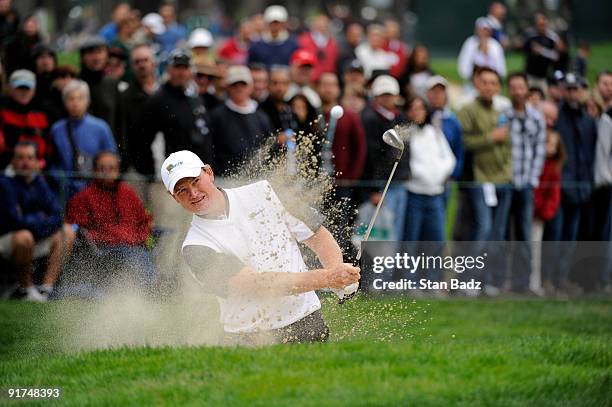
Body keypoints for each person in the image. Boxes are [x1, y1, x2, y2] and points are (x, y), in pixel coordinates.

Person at [160, 150, 360, 344]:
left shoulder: (264, 191)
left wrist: (338, 271)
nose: (193, 193)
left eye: (195, 181)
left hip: (307, 322)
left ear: (209, 173)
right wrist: (328, 278)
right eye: (182, 190)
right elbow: (259, 284)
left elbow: (317, 235)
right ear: (173, 197)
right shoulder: (195, 247)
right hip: (249, 338)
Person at [65, 151, 155, 292]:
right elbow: (78, 228)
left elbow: (144, 220)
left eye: (111, 168)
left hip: (134, 246)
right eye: (102, 168)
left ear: (118, 170)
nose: (107, 172)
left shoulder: (128, 193)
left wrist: (138, 239)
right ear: (95, 171)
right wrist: (112, 238)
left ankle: (147, 292)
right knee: (133, 256)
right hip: (105, 249)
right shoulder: (84, 197)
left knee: (139, 254)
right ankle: (149, 292)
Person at [457, 67, 512, 294]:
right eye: (485, 82)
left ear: (498, 87)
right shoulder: (467, 110)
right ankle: (467, 280)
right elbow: (465, 142)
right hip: (480, 180)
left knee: (496, 234)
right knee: (482, 229)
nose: (489, 86)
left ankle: (486, 280)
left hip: (504, 179)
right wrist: (492, 137)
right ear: (477, 85)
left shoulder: (502, 110)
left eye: (493, 83)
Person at [0, 141, 76, 301]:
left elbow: (57, 215)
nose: (25, 162)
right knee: (24, 236)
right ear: (12, 161)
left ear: (36, 162)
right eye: (20, 158)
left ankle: (45, 290)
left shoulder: (39, 182)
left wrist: (36, 221)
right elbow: (14, 221)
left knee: (67, 232)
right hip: (7, 240)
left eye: (29, 157)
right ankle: (26, 290)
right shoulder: (5, 183)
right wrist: (40, 217)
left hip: (33, 236)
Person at [139, 49, 212, 174]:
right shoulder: (157, 100)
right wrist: (152, 172)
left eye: (185, 68)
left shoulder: (194, 98)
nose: (181, 72)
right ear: (169, 69)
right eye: (178, 67)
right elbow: (144, 140)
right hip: (170, 174)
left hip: (196, 172)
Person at [506, 72, 546, 293]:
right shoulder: (504, 115)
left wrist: (532, 179)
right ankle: (499, 280)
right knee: (502, 233)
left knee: (524, 234)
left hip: (526, 183)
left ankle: (524, 282)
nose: (518, 92)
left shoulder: (537, 117)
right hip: (505, 182)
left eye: (521, 87)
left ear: (527, 90)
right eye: (513, 87)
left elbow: (539, 151)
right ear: (509, 90)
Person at [49, 79, 117, 199]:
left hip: (97, 191)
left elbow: (111, 159)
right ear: (64, 102)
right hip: (65, 192)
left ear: (88, 101)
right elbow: (53, 162)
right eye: (71, 99)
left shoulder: (101, 128)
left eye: (80, 98)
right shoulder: (57, 130)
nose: (75, 103)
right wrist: (61, 182)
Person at [360, 75, 408, 241]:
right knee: (380, 237)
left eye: (390, 94)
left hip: (399, 182)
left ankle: (389, 268)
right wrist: (374, 189)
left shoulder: (400, 117)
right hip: (381, 186)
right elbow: (370, 156)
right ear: (376, 96)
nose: (387, 98)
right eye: (384, 95)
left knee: (395, 234)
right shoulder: (369, 118)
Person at [208, 65, 272, 176]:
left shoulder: (261, 116)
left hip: (256, 178)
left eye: (243, 84)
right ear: (228, 87)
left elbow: (269, 146)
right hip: (225, 178)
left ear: (250, 86)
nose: (239, 88)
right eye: (234, 84)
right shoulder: (216, 116)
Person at [556, 73, 597, 241]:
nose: (573, 93)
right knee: (556, 235)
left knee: (572, 235)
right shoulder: (557, 117)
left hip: (581, 186)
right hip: (559, 186)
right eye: (569, 89)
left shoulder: (588, 120)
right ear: (563, 91)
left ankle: (565, 268)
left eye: (576, 89)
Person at [533, 101, 564, 295]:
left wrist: (544, 212)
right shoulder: (536, 163)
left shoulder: (553, 169)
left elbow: (553, 195)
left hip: (539, 216)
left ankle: (536, 283)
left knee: (536, 251)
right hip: (527, 210)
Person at [118, 43, 159, 174]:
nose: (142, 65)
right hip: (136, 168)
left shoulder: (166, 94)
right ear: (132, 66)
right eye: (137, 62)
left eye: (145, 60)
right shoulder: (125, 97)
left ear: (153, 63)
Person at [0, 69, 50, 169]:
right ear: (10, 89)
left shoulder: (42, 114)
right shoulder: (2, 113)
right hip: (7, 169)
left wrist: (41, 163)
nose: (24, 93)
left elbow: (49, 148)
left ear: (34, 90)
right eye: (19, 88)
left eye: (27, 89)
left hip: (38, 170)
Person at [425, 75, 464, 191]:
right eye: (433, 91)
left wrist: (453, 174)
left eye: (440, 92)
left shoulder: (453, 121)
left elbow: (458, 150)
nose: (437, 95)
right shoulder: (420, 119)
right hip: (423, 177)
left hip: (446, 177)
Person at [79, 36, 121, 132]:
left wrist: (121, 145)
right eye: (90, 53)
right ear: (82, 57)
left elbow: (120, 122)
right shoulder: (76, 84)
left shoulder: (112, 84)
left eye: (100, 52)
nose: (96, 57)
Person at [457, 17, 506, 84]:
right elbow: (463, 65)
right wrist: (472, 78)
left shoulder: (495, 46)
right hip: (472, 84)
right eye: (481, 29)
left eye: (485, 29)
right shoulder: (470, 43)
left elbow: (501, 68)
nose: (483, 32)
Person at [523, 14, 561, 89]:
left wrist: (542, 51)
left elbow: (556, 56)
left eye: (543, 24)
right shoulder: (530, 36)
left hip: (543, 76)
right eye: (539, 25)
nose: (541, 27)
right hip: (530, 74)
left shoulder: (552, 38)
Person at [298, 13, 339, 80]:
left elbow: (334, 62)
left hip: (327, 79)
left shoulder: (333, 43)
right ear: (313, 25)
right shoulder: (303, 41)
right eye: (319, 24)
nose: (321, 26)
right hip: (309, 79)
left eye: (324, 24)